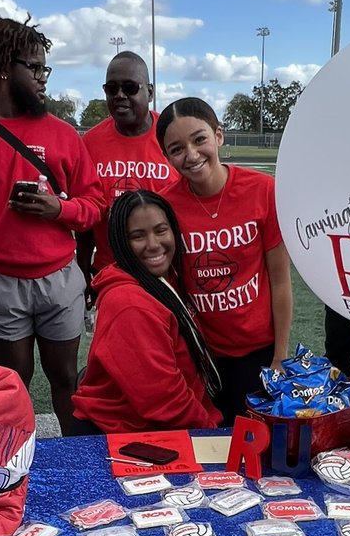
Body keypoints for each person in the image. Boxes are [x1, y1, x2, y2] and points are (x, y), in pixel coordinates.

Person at [0, 15, 103, 435]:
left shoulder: (65, 135)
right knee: (14, 384)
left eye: (45, 67)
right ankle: (18, 464)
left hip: (59, 277)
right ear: (5, 68)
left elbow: (95, 204)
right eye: (35, 67)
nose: (43, 77)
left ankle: (74, 462)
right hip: (0, 282)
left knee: (65, 379)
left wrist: (57, 211)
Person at [156, 97, 292, 423]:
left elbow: (280, 279)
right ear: (166, 156)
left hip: (259, 351)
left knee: (257, 444)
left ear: (218, 135)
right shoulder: (165, 204)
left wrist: (280, 357)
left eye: (199, 139)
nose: (191, 155)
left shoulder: (263, 190)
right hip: (202, 354)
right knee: (211, 446)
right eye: (176, 148)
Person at [71, 190, 222, 434]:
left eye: (161, 230)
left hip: (154, 425)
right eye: (137, 236)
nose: (153, 245)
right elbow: (164, 398)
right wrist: (209, 434)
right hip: (128, 434)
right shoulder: (129, 304)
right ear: (121, 242)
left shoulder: (162, 279)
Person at [76, 51, 178, 288]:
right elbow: (86, 220)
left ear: (150, 92)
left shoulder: (171, 134)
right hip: (111, 274)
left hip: (166, 273)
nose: (120, 95)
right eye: (111, 89)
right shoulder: (90, 143)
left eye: (130, 87)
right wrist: (82, 269)